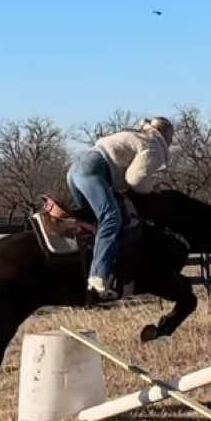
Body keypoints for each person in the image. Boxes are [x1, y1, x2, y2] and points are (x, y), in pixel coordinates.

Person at [66, 116, 174, 303]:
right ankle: (98, 276)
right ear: (165, 133)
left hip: (75, 170)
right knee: (111, 217)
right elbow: (135, 180)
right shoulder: (154, 145)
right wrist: (152, 189)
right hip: (93, 171)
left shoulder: (135, 135)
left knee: (93, 223)